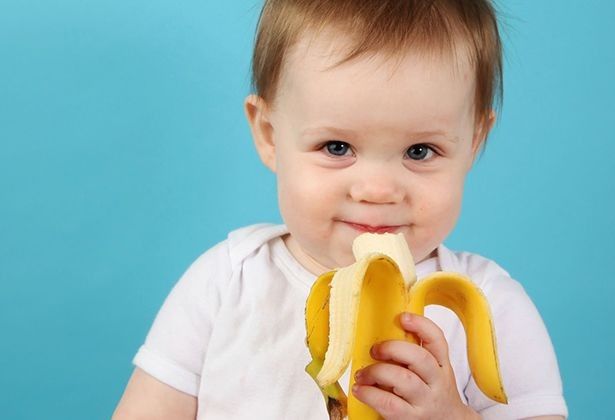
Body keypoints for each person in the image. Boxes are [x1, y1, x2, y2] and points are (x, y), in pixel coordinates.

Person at [113, 1, 567, 418]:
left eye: (420, 151)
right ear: (270, 135)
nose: (378, 190)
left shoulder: (490, 307)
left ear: (474, 141)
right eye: (337, 146)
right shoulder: (225, 282)